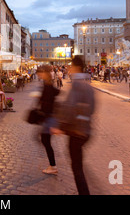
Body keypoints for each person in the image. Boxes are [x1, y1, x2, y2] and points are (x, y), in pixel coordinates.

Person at [52, 56, 95, 195]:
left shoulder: (77, 84)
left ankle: (84, 192)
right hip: (85, 130)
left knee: (76, 166)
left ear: (76, 67)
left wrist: (59, 125)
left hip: (77, 131)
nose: (69, 67)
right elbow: (92, 108)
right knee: (78, 163)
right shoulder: (88, 85)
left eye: (71, 65)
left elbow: (70, 106)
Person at [36, 65, 60, 175]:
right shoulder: (47, 83)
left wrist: (41, 100)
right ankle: (52, 165)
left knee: (46, 141)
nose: (38, 75)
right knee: (45, 141)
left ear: (44, 73)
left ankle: (53, 166)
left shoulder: (48, 84)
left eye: (39, 73)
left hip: (49, 118)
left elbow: (52, 97)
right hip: (48, 118)